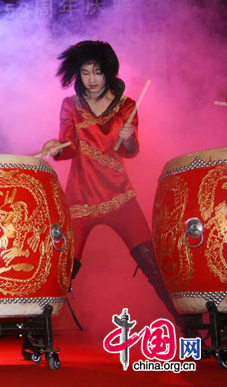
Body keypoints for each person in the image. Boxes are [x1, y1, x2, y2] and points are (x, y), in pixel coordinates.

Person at [40, 41, 182, 326]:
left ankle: (188, 325)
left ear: (109, 72)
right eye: (85, 73)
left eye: (97, 72)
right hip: (80, 197)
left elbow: (129, 151)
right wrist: (56, 147)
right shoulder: (71, 105)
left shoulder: (126, 105)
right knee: (64, 270)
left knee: (152, 264)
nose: (91, 80)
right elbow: (69, 146)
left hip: (120, 196)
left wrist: (128, 137)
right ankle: (39, 332)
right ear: (77, 75)